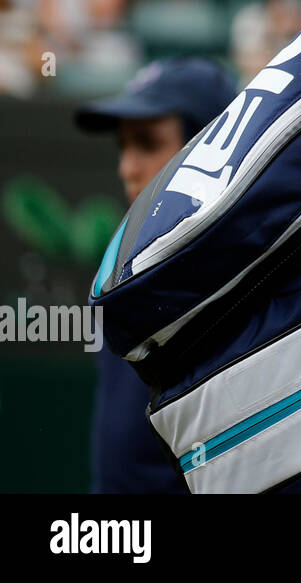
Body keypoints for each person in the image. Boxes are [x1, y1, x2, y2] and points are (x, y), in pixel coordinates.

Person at [74, 57, 239, 493]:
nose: (126, 168)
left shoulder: (245, 286)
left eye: (147, 143)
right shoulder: (125, 273)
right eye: (123, 146)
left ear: (206, 152)